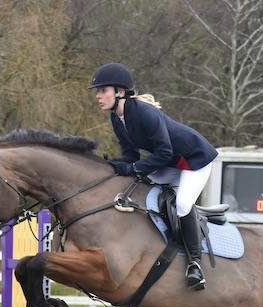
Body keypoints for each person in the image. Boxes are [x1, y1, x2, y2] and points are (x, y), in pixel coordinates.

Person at [88, 63, 218, 291]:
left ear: (120, 92)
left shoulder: (145, 113)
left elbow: (164, 152)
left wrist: (132, 168)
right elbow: (131, 155)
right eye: (98, 92)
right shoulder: (118, 118)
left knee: (182, 204)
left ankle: (195, 264)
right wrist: (111, 165)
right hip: (171, 163)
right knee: (140, 188)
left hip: (194, 160)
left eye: (103, 90)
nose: (98, 96)